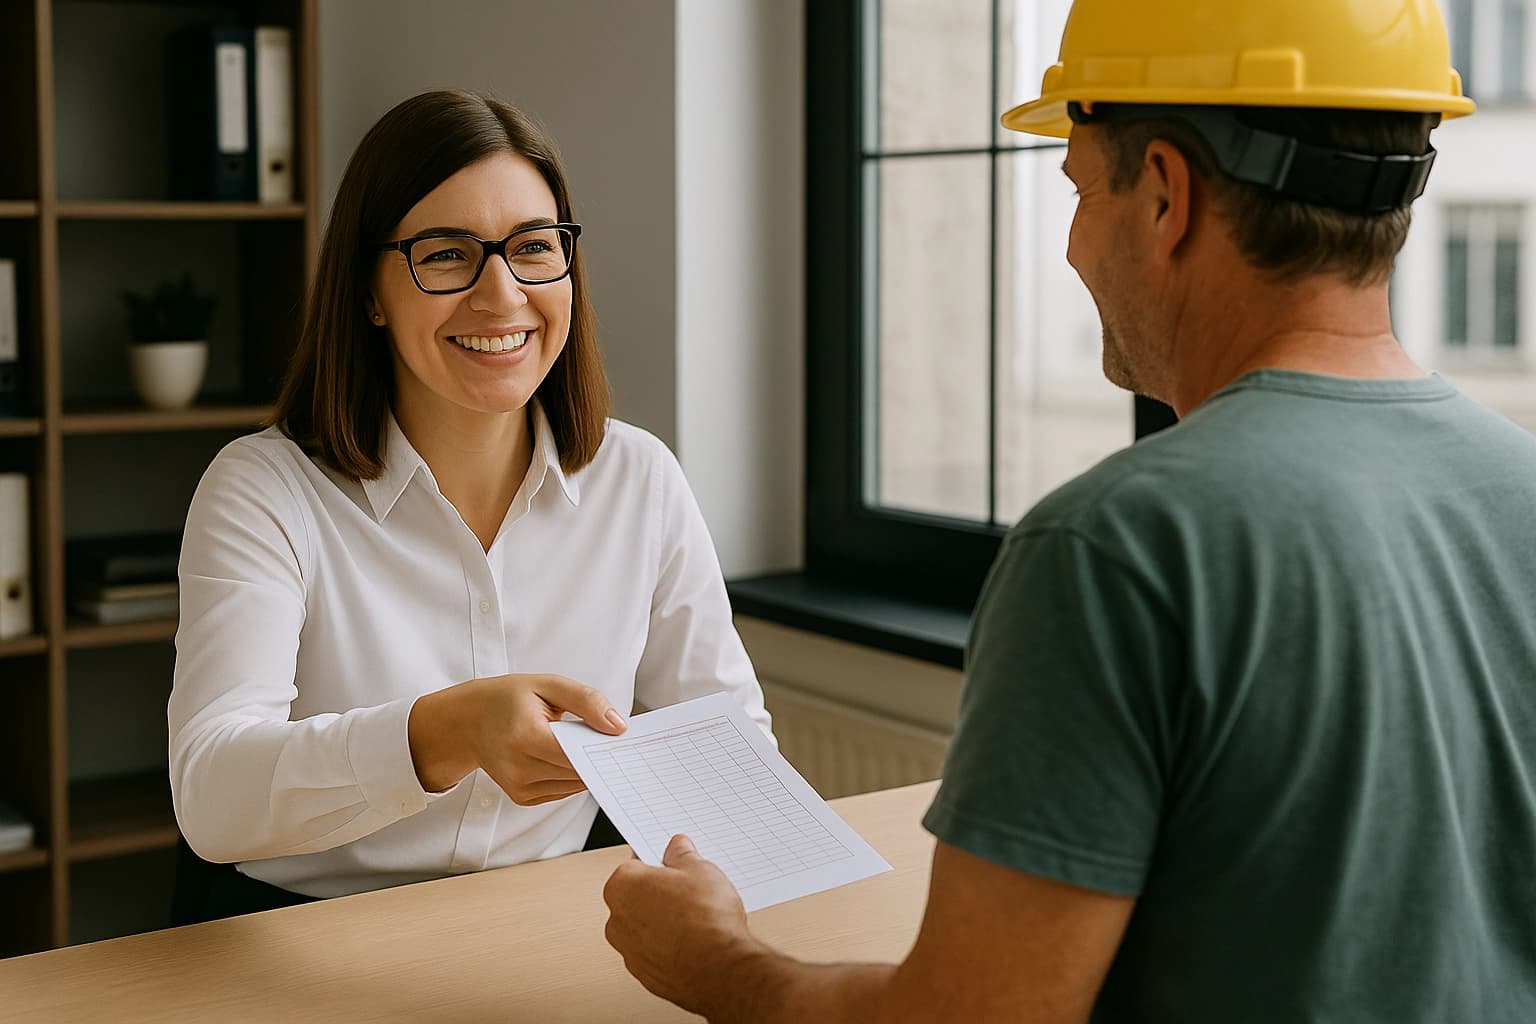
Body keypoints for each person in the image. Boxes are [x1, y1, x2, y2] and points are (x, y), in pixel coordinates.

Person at [601, 0, 1536, 1019]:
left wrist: (718, 961)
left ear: (1167, 195)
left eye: (1081, 186)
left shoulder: (1116, 545)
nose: (1073, 245)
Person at [168, 90, 772, 919]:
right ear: (370, 294)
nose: (501, 296)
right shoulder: (263, 490)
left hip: (547, 924)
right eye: (446, 255)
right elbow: (210, 794)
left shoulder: (642, 478)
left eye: (532, 247)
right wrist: (439, 734)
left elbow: (729, 753)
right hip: (296, 938)